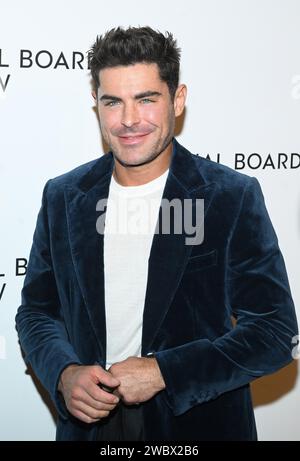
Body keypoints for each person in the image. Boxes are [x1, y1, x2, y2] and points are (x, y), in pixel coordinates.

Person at [16, 26, 298, 442]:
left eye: (146, 99)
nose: (129, 120)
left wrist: (166, 372)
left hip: (198, 426)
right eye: (113, 102)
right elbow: (37, 313)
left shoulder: (229, 196)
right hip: (90, 432)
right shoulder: (63, 196)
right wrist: (64, 373)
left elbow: (275, 331)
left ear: (177, 100)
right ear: (96, 104)